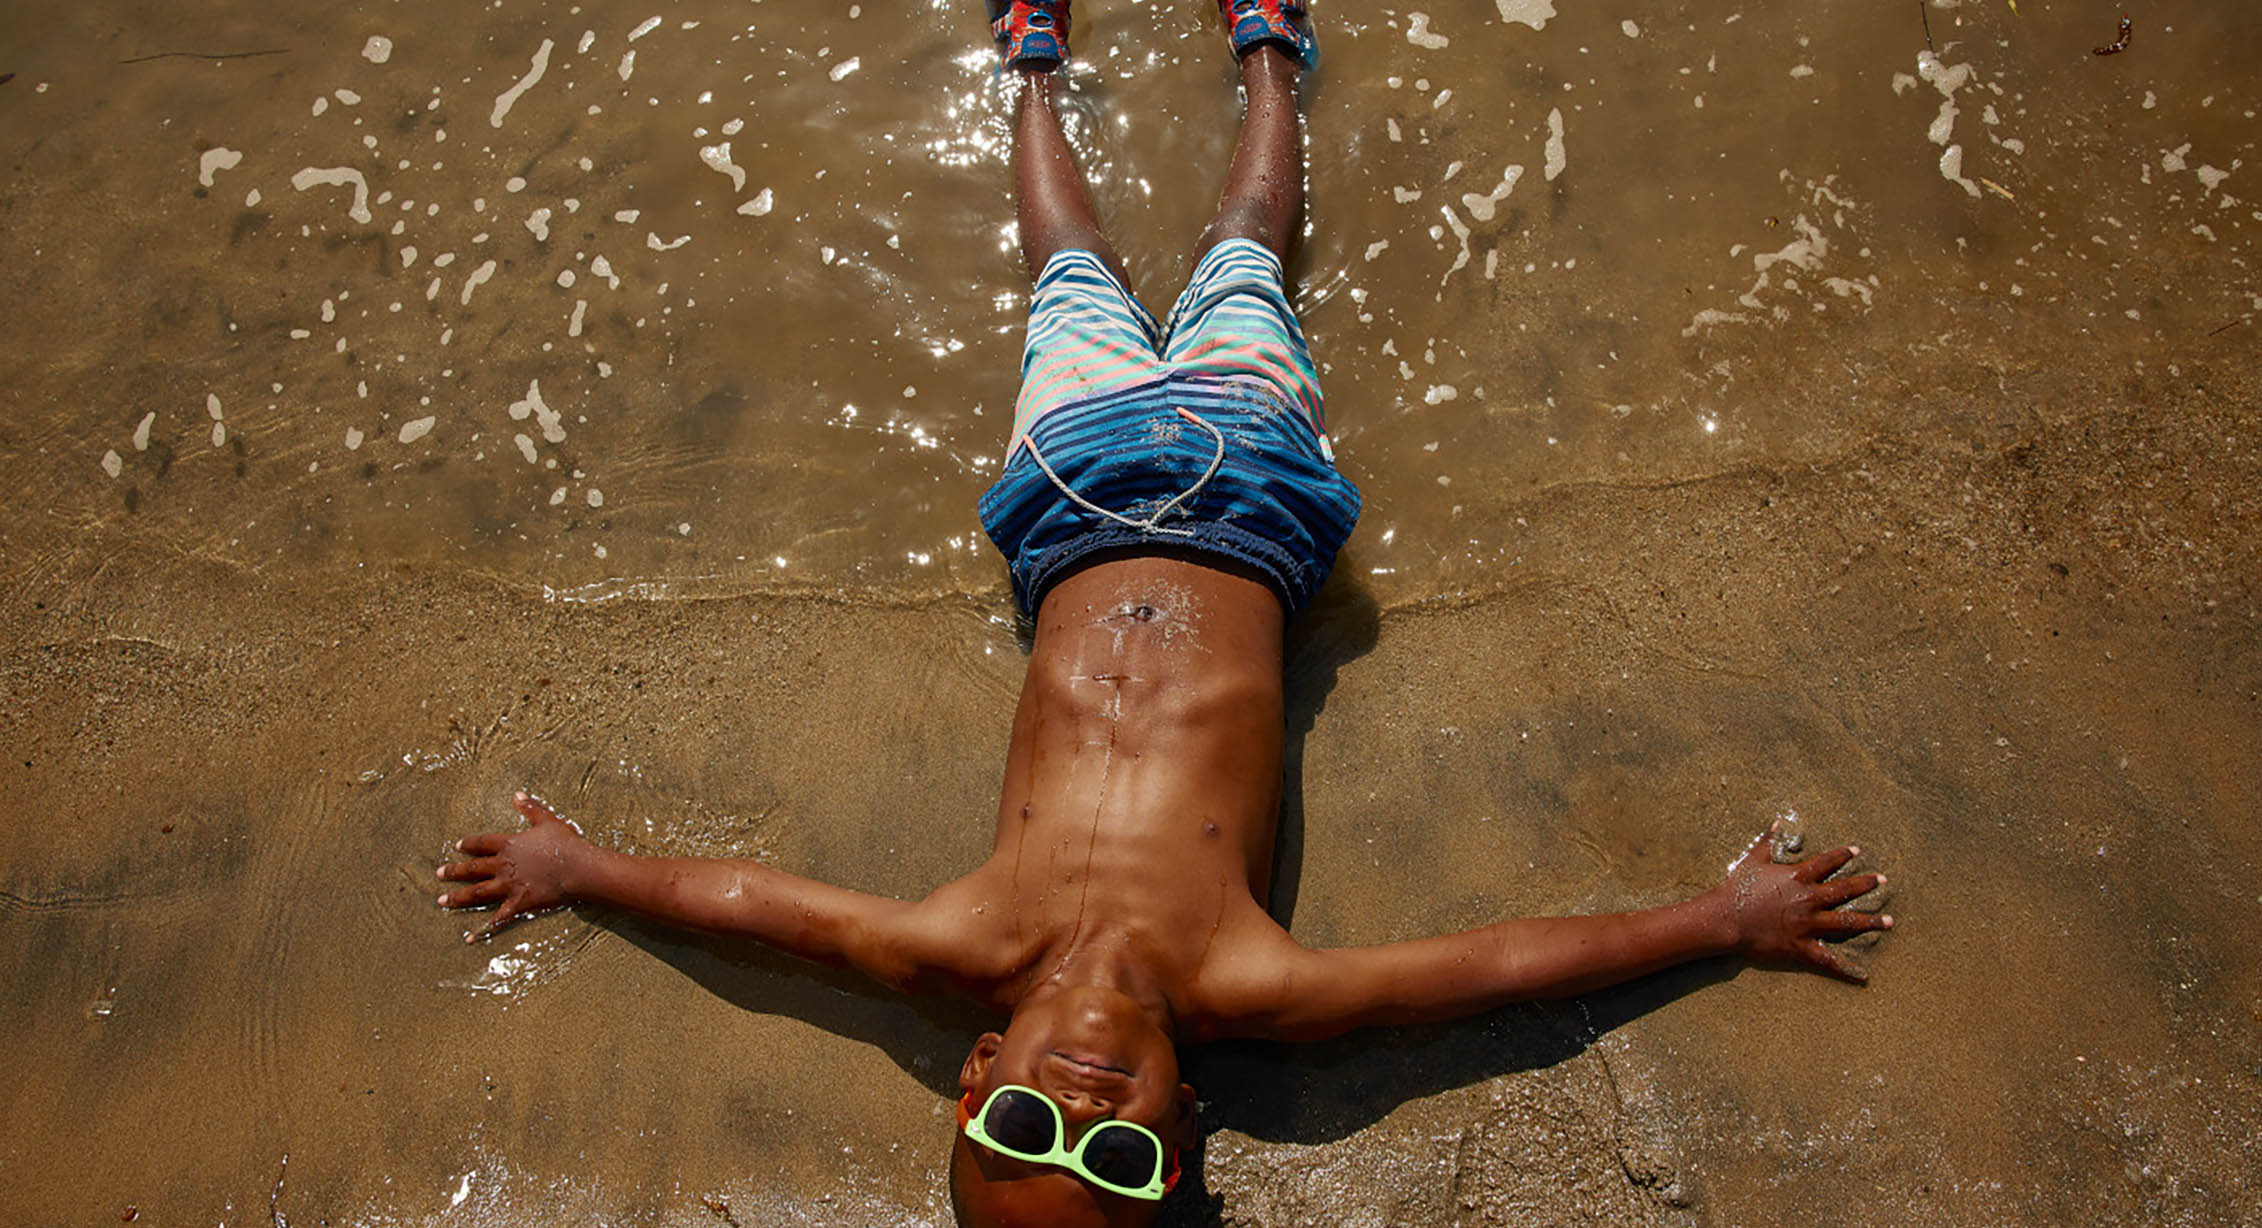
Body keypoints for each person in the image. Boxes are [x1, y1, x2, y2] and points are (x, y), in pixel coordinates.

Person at [436, 3, 1895, 1224]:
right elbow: (1493, 967)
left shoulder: (957, 950)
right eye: (1119, 1156)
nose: (1076, 1112)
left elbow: (754, 901)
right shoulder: (1238, 974)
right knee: (1245, 253)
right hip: (1245, 497)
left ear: (978, 1074)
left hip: (1069, 499)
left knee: (1064, 269)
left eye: (1022, 1134)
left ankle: (1029, 61)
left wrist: (588, 869)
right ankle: (1269, 52)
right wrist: (1720, 917)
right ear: (1183, 1122)